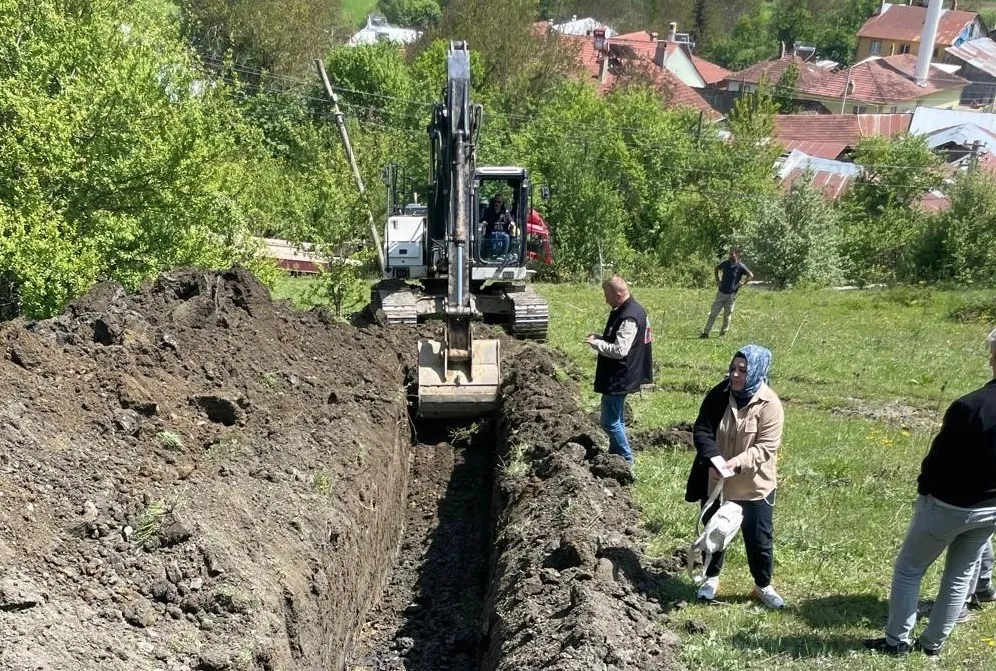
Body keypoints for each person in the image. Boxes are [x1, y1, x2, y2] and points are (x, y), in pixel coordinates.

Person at [864, 327, 996, 659]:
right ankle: (932, 645)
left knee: (910, 568)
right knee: (960, 574)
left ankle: (897, 642)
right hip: (991, 509)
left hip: (949, 504)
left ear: (994, 360)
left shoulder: (970, 406)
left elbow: (938, 460)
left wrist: (925, 491)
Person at [685, 345, 786, 608]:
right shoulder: (719, 394)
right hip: (718, 483)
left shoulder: (770, 404)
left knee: (759, 541)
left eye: (743, 370)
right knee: (714, 532)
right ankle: (710, 578)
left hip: (754, 487)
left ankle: (763, 586)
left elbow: (766, 447)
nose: (735, 375)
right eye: (733, 368)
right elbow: (702, 429)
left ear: (757, 372)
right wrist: (712, 459)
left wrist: (735, 464)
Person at [585, 276, 653, 467]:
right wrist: (602, 337)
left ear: (618, 294)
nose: (605, 299)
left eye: (607, 295)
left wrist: (597, 344)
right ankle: (616, 456)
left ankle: (627, 461)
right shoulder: (628, 310)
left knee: (609, 422)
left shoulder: (629, 316)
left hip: (620, 376)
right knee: (617, 420)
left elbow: (620, 350)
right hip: (623, 374)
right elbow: (620, 340)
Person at [700, 248, 753, 339]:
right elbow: (716, 269)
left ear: (737, 255)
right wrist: (718, 280)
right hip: (721, 292)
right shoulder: (725, 263)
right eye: (730, 254)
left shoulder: (741, 266)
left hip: (731, 295)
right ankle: (706, 332)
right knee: (713, 313)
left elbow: (751, 275)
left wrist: (742, 283)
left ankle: (723, 334)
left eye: (732, 254)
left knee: (727, 315)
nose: (730, 256)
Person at [482, 194, 514, 258]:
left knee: (507, 237)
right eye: (495, 201)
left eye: (499, 202)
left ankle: (503, 255)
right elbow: (483, 220)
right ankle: (490, 256)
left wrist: (512, 224)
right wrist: (484, 223)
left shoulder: (506, 212)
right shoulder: (488, 211)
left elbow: (511, 221)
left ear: (502, 203)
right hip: (491, 232)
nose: (497, 204)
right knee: (492, 238)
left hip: (503, 233)